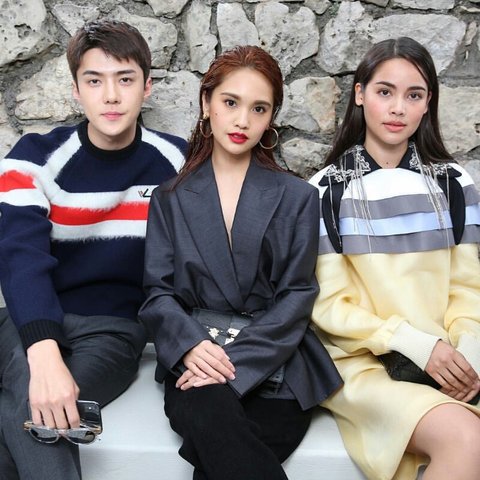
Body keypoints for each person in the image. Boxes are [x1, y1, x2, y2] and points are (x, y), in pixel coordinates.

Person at [139, 45, 342, 480]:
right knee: (211, 414)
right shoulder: (170, 198)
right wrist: (191, 346)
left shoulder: (298, 197)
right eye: (231, 102)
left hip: (279, 364)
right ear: (206, 103)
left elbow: (297, 295)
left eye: (259, 108)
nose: (243, 120)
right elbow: (158, 293)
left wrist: (233, 363)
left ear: (271, 119)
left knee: (219, 454)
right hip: (197, 360)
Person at [0, 20, 186, 480]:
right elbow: (20, 257)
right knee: (34, 388)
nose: (111, 96)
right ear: (76, 90)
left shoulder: (179, 163)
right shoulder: (35, 157)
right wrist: (44, 352)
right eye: (95, 81)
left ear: (146, 87)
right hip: (29, 319)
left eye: (125, 79)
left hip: (114, 330)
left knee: (38, 408)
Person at [309, 36, 480, 480]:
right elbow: (329, 307)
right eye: (385, 92)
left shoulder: (455, 184)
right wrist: (414, 344)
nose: (398, 108)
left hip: (450, 359)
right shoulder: (325, 190)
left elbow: (468, 289)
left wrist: (470, 356)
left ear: (428, 104)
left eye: (414, 95)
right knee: (466, 439)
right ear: (359, 94)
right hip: (365, 367)